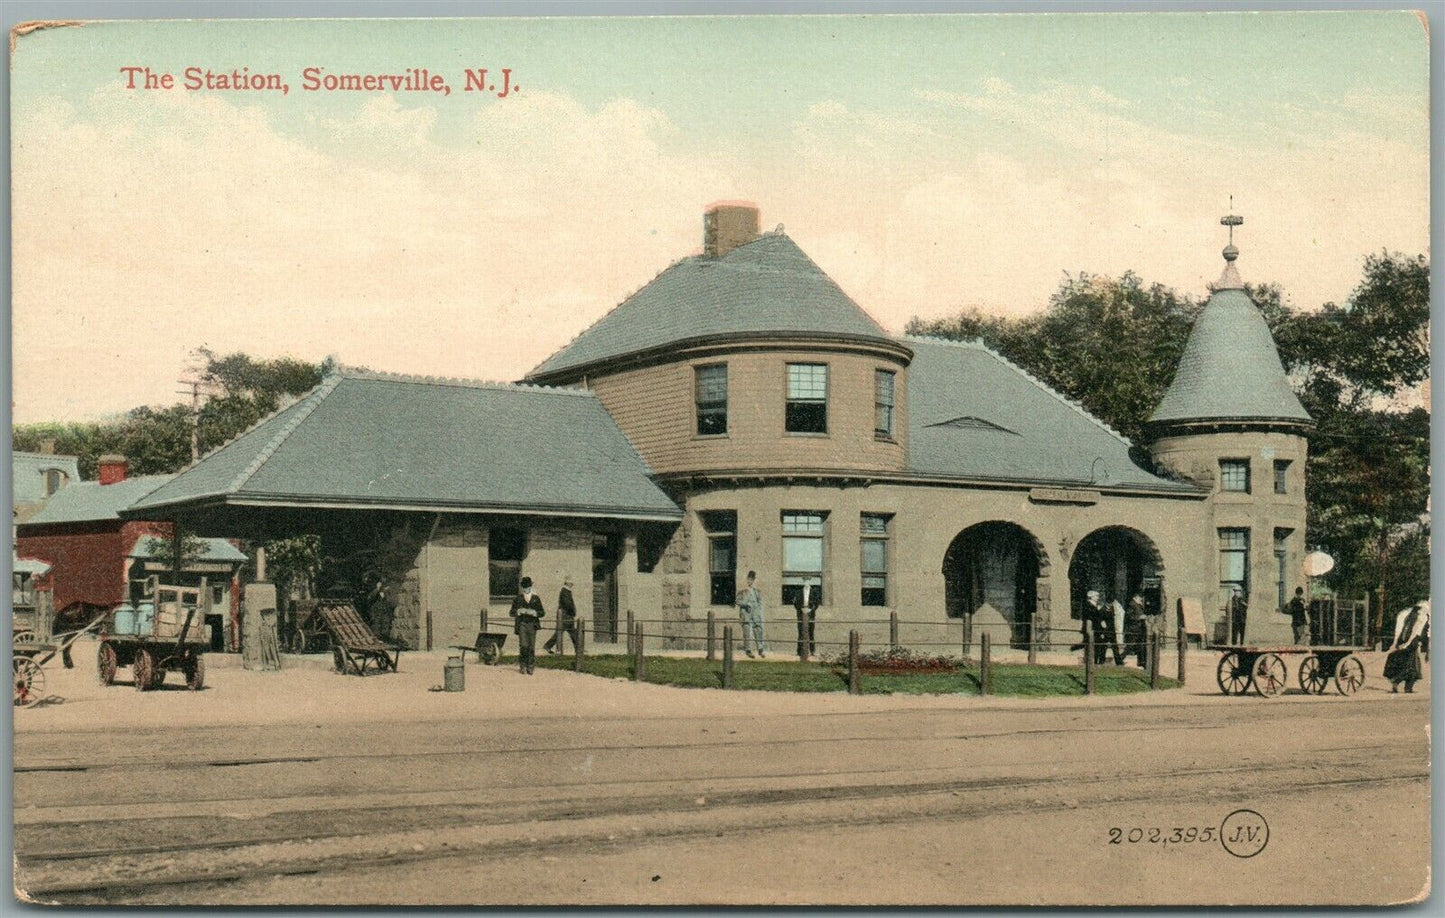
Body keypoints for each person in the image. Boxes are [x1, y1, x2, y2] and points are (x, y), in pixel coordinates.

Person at [1384, 600, 1429, 694]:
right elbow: (1410, 630)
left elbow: (1412, 631)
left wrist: (1402, 643)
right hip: (1407, 642)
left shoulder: (1408, 614)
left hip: (1408, 642)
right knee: (1410, 665)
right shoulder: (1418, 615)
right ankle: (1405, 688)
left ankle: (1398, 686)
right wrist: (1396, 643)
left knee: (1402, 662)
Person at [509, 576, 546, 675]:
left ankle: (530, 667)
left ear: (531, 587)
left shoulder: (536, 598)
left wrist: (535, 613)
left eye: (528, 587)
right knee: (523, 646)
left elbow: (542, 612)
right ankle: (523, 666)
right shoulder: (518, 598)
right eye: (524, 587)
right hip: (522, 624)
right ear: (522, 587)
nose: (526, 589)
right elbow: (511, 612)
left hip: (532, 625)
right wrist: (518, 611)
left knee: (531, 647)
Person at [543, 575, 578, 655]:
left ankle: (578, 649)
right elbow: (567, 604)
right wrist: (573, 611)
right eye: (571, 582)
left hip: (567, 615)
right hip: (566, 616)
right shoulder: (565, 591)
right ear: (567, 583)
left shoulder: (567, 591)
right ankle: (548, 646)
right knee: (562, 632)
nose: (572, 584)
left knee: (571, 633)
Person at [736, 570, 766, 658]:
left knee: (758, 629)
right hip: (746, 612)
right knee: (747, 631)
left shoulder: (756, 591)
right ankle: (748, 650)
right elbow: (737, 601)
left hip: (755, 612)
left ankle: (760, 649)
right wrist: (745, 604)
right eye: (749, 579)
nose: (750, 581)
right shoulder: (742, 590)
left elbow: (760, 601)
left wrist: (760, 610)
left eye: (752, 579)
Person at [793, 579, 820, 659]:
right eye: (805, 581)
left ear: (810, 582)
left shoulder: (814, 592)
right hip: (801, 613)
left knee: (811, 632)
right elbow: (795, 603)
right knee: (800, 632)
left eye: (808, 581)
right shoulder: (799, 592)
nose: (806, 583)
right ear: (803, 582)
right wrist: (801, 609)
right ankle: (799, 651)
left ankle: (812, 651)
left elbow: (817, 603)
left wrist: (811, 609)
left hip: (810, 613)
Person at [1125, 592, 1148, 667]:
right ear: (1135, 597)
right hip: (1134, 629)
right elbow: (1129, 617)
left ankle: (1142, 663)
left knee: (1141, 646)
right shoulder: (1131, 604)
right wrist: (1139, 618)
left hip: (1140, 628)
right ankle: (1119, 659)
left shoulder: (1138, 605)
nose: (1141, 598)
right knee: (1130, 646)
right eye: (1139, 597)